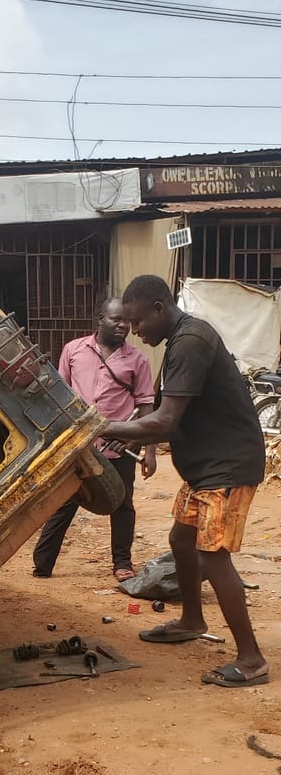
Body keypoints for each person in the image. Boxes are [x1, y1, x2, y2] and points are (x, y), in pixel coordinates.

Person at [105, 274, 267, 688]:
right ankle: (192, 620)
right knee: (181, 539)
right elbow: (167, 421)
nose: (136, 333)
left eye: (138, 323)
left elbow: (165, 420)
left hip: (226, 466)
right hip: (207, 466)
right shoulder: (180, 340)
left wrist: (101, 427)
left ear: (159, 308)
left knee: (213, 555)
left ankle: (251, 660)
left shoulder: (190, 341)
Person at [32, 297, 157, 582]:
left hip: (119, 446)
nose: (123, 326)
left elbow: (147, 405)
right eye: (116, 320)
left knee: (123, 504)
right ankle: (43, 562)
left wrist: (147, 450)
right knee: (65, 501)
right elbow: (59, 396)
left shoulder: (137, 359)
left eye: (127, 321)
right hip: (79, 445)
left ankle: (122, 564)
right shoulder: (73, 350)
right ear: (101, 319)